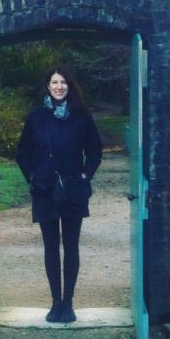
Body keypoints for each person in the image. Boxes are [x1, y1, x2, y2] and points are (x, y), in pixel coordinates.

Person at [16, 65, 103, 323]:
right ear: (47, 86)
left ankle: (69, 303)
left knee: (71, 246)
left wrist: (85, 175)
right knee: (51, 247)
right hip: (44, 190)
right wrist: (32, 177)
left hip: (73, 190)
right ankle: (55, 302)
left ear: (69, 86)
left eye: (63, 82)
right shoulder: (36, 117)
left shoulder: (81, 116)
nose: (59, 87)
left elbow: (95, 150)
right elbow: (22, 152)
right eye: (54, 82)